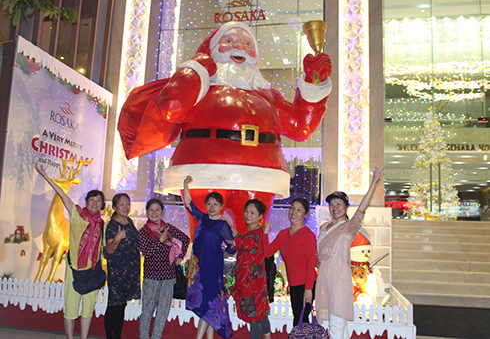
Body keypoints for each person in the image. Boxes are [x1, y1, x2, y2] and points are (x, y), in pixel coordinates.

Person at [118, 21, 333, 235]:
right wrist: (196, 67)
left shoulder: (268, 94)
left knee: (252, 238)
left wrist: (314, 83)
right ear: (212, 50)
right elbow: (172, 107)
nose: (239, 48)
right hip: (204, 170)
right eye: (229, 41)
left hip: (259, 172)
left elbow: (300, 128)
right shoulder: (201, 85)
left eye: (248, 44)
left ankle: (251, 270)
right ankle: (199, 268)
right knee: (203, 236)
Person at [35, 162, 105, 339]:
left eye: (99, 200)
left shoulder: (101, 223)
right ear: (87, 202)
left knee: (88, 308)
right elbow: (61, 194)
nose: (95, 203)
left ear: (102, 204)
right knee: (71, 307)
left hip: (92, 270)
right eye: (92, 200)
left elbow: (102, 249)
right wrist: (46, 177)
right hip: (74, 268)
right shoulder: (77, 214)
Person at [316, 167, 384, 339]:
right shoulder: (324, 227)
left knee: (335, 327)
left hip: (339, 283)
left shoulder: (349, 227)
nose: (334, 208)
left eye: (339, 204)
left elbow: (362, 209)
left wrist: (374, 183)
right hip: (324, 281)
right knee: (341, 328)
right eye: (331, 204)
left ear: (346, 206)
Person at [183, 175, 235, 339]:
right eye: (209, 203)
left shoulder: (222, 225)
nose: (212, 207)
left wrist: (220, 254)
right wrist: (185, 185)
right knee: (207, 305)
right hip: (198, 271)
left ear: (221, 207)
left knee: (209, 304)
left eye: (216, 204)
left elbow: (232, 247)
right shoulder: (202, 218)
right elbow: (188, 203)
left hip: (212, 270)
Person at [138, 198, 190, 339]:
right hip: (151, 278)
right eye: (151, 209)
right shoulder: (143, 232)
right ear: (147, 211)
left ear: (162, 211)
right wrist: (161, 241)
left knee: (162, 312)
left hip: (168, 277)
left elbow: (185, 239)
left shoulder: (168, 228)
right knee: (147, 312)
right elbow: (147, 253)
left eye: (157, 209)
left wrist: (181, 257)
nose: (154, 213)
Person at [263, 198, 317, 327]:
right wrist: (265, 232)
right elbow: (267, 252)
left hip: (307, 283)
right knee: (299, 320)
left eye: (299, 210)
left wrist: (309, 289)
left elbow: (311, 263)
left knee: (300, 321)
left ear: (305, 214)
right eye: (292, 208)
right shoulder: (283, 234)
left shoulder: (308, 235)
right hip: (293, 284)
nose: (294, 212)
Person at [104, 193, 141, 339]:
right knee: (113, 306)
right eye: (121, 204)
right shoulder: (113, 226)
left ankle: (117, 336)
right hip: (118, 271)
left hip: (130, 270)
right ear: (114, 207)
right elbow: (109, 250)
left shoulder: (129, 222)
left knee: (121, 306)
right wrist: (118, 238)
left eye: (127, 204)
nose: (125, 207)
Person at [233, 199, 271, 339]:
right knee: (261, 315)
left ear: (261, 216)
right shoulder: (252, 232)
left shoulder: (255, 234)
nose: (248, 215)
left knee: (253, 317)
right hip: (253, 281)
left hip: (251, 283)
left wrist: (232, 230)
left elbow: (243, 244)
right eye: (247, 211)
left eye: (253, 212)